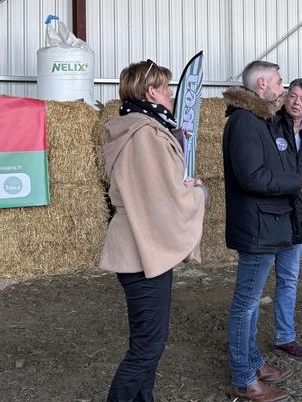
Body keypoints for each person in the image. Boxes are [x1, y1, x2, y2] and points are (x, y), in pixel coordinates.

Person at [100, 59, 207, 402]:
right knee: (147, 348)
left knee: (147, 343)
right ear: (151, 92)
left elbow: (148, 182)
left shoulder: (140, 128)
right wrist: (198, 192)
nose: (172, 95)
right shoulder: (145, 133)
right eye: (166, 87)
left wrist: (172, 141)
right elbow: (163, 195)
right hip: (141, 251)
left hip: (138, 247)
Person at [224, 61, 302, 402]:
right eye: (281, 83)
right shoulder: (244, 122)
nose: (282, 90)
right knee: (245, 305)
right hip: (257, 227)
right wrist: (299, 182)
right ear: (262, 83)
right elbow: (253, 177)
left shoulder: (258, 121)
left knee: (250, 304)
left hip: (269, 224)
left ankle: (253, 363)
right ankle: (243, 379)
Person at [268, 78, 302, 362]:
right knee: (254, 285)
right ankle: (243, 339)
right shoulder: (269, 126)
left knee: (289, 280)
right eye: (292, 96)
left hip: (297, 220)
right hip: (269, 218)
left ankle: (284, 338)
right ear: (285, 98)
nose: (296, 102)